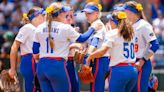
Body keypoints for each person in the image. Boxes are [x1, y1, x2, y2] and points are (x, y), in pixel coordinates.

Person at [32, 2, 101, 92]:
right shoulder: (64, 27)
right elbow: (82, 38)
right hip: (57, 66)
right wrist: (93, 28)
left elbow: (35, 50)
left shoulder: (39, 27)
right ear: (60, 14)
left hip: (42, 66)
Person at [87, 11, 138, 92]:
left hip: (119, 71)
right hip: (133, 70)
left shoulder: (112, 33)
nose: (108, 22)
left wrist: (90, 56)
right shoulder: (131, 33)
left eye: (110, 21)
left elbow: (102, 51)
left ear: (113, 22)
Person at [123, 1, 159, 92]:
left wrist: (142, 61)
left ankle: (149, 83)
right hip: (131, 63)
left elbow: (155, 45)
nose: (123, 14)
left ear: (131, 12)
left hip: (141, 63)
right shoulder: (129, 25)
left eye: (125, 11)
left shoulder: (144, 25)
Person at [8, 7, 45, 92]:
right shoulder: (27, 27)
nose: (44, 16)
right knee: (32, 89)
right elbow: (14, 47)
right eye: (42, 15)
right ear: (35, 17)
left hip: (38, 60)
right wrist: (12, 69)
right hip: (30, 61)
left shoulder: (40, 29)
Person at [81, 2, 110, 92]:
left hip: (99, 61)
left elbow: (94, 44)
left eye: (89, 13)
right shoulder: (94, 24)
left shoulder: (98, 24)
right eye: (85, 13)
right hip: (100, 60)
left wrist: (86, 60)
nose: (87, 15)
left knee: (96, 89)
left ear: (97, 13)